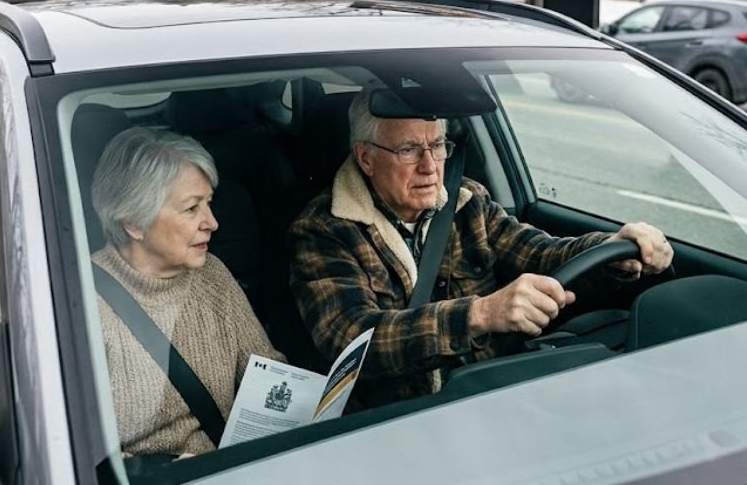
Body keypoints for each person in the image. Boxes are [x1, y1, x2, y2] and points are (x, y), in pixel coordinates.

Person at [288, 88, 672, 409]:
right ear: (366, 158)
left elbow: (538, 251)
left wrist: (610, 248)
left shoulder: (467, 201)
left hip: (494, 392)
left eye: (437, 146)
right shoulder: (323, 229)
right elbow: (351, 340)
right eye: (408, 150)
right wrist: (480, 314)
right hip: (402, 417)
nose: (429, 166)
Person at [90, 126, 284, 458]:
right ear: (133, 223)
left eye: (209, 203)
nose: (212, 222)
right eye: (192, 208)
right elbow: (84, 452)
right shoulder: (81, 303)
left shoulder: (213, 274)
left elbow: (265, 369)